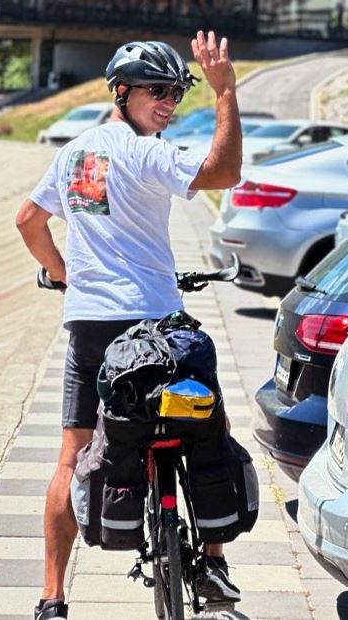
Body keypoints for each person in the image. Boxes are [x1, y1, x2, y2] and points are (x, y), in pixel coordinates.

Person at [15, 33, 244, 620]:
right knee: (201, 425)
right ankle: (212, 562)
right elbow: (224, 173)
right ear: (122, 91)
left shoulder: (77, 153)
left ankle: (52, 599)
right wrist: (224, 92)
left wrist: (66, 277)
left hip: (90, 327)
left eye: (176, 91)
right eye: (157, 91)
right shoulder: (147, 152)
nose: (168, 102)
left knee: (72, 458)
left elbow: (29, 221)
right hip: (152, 324)